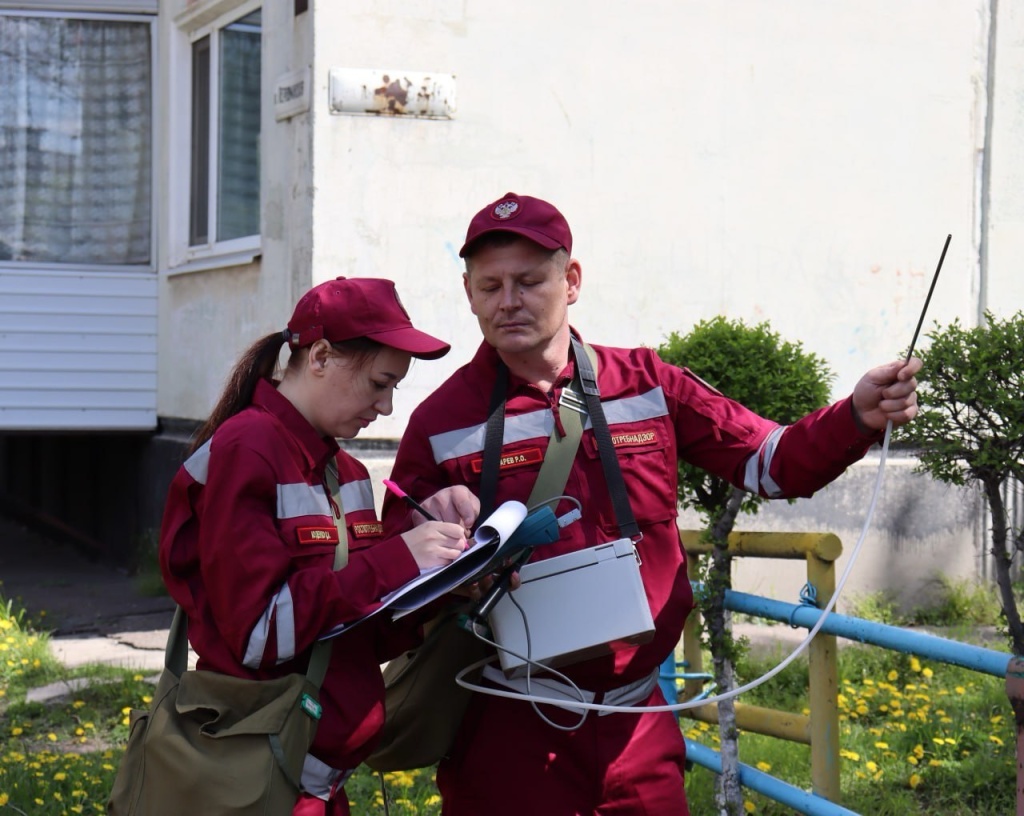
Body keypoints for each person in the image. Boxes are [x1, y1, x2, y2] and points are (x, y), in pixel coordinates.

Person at [381, 192, 923, 816]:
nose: (509, 301)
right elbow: (396, 569)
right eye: (490, 285)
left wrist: (855, 415)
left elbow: (771, 462)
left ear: (572, 280)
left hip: (639, 721)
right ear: (469, 293)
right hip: (507, 723)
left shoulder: (647, 383)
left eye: (529, 281)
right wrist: (431, 548)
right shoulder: (441, 422)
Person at [158, 276, 477, 816]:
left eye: (395, 387)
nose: (388, 407)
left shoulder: (346, 469)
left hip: (316, 785)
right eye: (379, 383)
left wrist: (450, 578)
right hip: (259, 784)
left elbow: (353, 634)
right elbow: (261, 635)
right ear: (322, 356)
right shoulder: (249, 448)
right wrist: (400, 558)